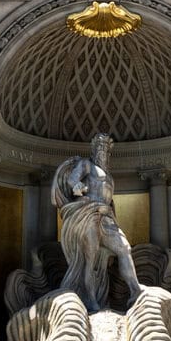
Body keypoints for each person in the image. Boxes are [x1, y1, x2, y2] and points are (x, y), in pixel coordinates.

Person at [51, 132, 143, 312]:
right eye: (100, 147)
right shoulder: (87, 165)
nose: (103, 151)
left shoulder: (109, 176)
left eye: (106, 149)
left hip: (106, 217)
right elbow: (72, 179)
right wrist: (77, 186)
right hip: (88, 214)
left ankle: (135, 290)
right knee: (90, 259)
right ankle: (91, 299)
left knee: (124, 248)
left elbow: (109, 200)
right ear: (93, 150)